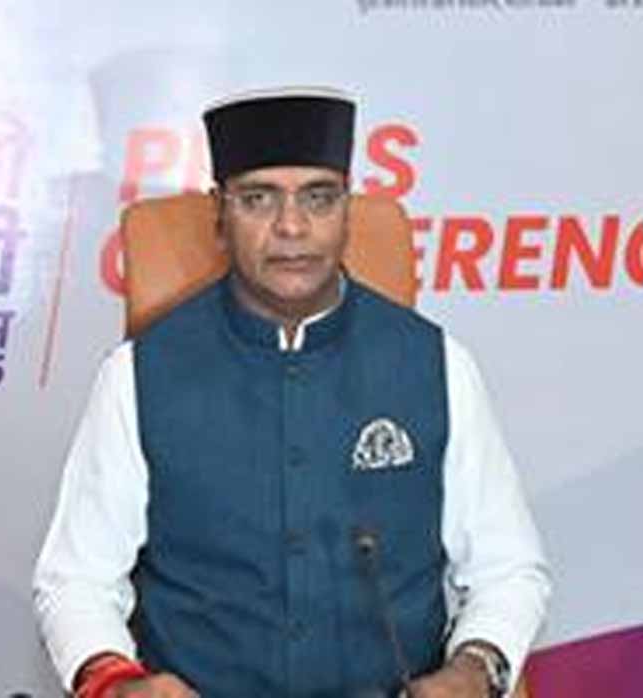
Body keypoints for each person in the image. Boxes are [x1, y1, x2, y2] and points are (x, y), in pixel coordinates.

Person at [33, 87, 551, 698]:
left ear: (347, 211)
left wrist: (477, 666)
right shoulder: (139, 374)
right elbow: (76, 581)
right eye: (259, 199)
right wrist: (114, 680)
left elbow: (508, 568)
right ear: (219, 214)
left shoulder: (435, 363)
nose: (292, 226)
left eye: (318, 197)